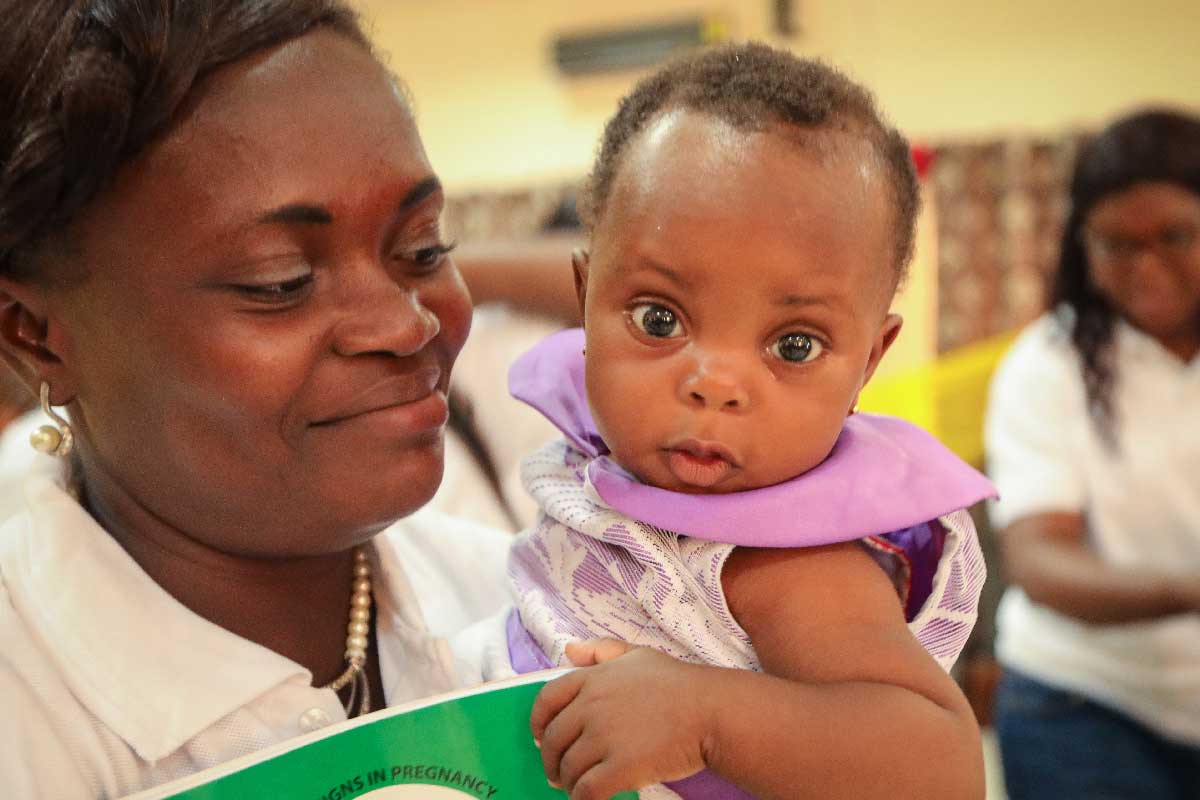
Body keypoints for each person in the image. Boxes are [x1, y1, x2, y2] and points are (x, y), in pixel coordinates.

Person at [0, 3, 522, 797]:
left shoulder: (526, 609)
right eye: (279, 282)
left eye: (422, 248)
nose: (405, 323)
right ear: (35, 335)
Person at [492, 44, 995, 799]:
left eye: (794, 345)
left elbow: (942, 764)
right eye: (659, 319)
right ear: (586, 293)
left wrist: (702, 715)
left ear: (867, 361)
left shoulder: (786, 558)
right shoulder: (595, 457)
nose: (713, 385)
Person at [985, 109, 1200, 799]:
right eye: (1114, 244)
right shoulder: (1048, 365)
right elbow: (1041, 560)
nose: (1145, 267)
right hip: (1082, 704)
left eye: (1175, 236)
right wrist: (1188, 590)